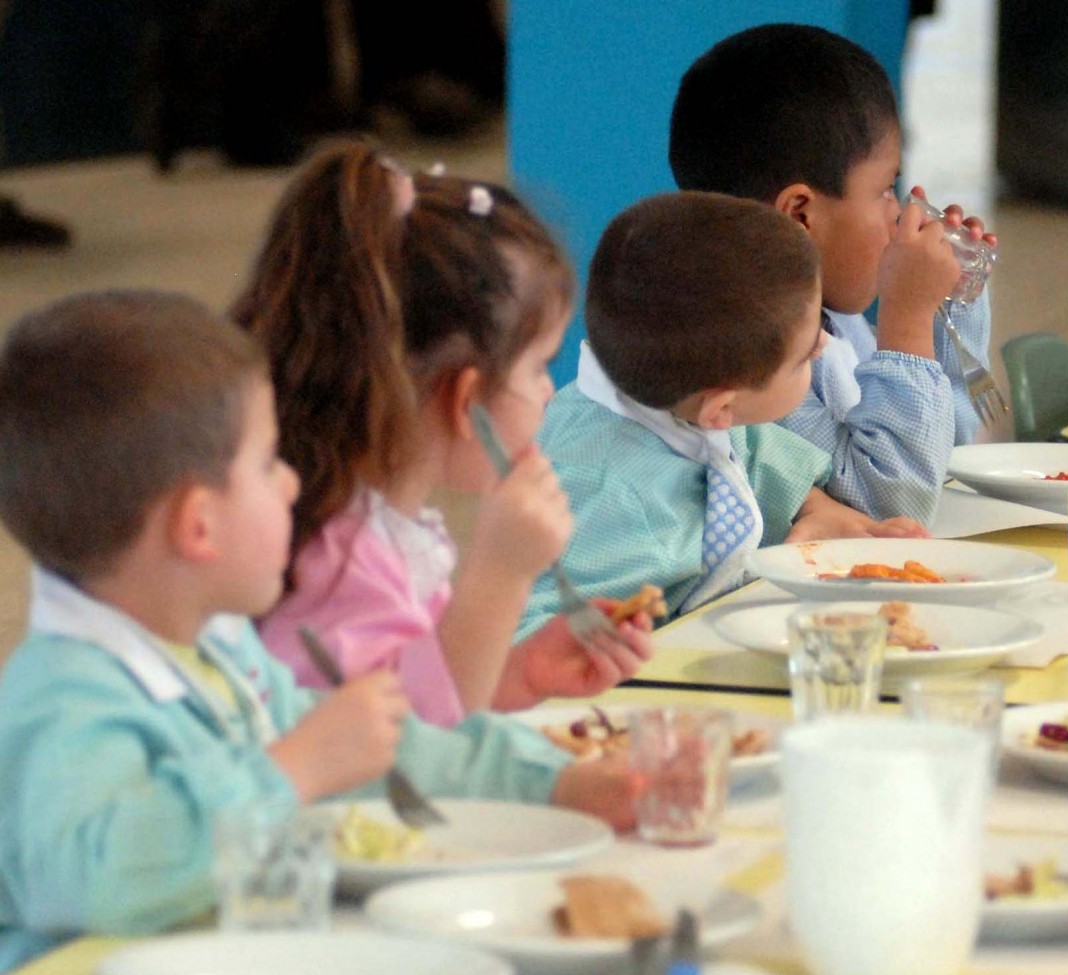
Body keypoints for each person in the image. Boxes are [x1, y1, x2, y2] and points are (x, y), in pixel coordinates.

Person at [0, 290, 633, 969]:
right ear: (198, 525)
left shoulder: (219, 645)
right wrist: (293, 767)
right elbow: (101, 877)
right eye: (268, 462)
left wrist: (556, 783)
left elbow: (389, 749)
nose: (292, 485)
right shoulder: (63, 696)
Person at [232, 139, 653, 728]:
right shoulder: (338, 563)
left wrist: (516, 674)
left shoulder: (374, 528)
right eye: (538, 367)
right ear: (465, 399)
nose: (547, 393)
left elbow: (413, 679)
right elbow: (408, 747)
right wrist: (502, 574)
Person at [516, 192, 928, 638]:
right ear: (722, 408)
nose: (824, 346)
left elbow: (752, 451)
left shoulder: (667, 398)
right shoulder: (618, 505)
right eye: (807, 354)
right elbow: (525, 632)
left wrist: (820, 508)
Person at [668, 23, 998, 525]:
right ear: (800, 214)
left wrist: (946, 303)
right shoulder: (746, 366)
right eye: (885, 190)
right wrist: (907, 319)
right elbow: (892, 506)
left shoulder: (834, 324)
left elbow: (943, 453)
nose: (899, 212)